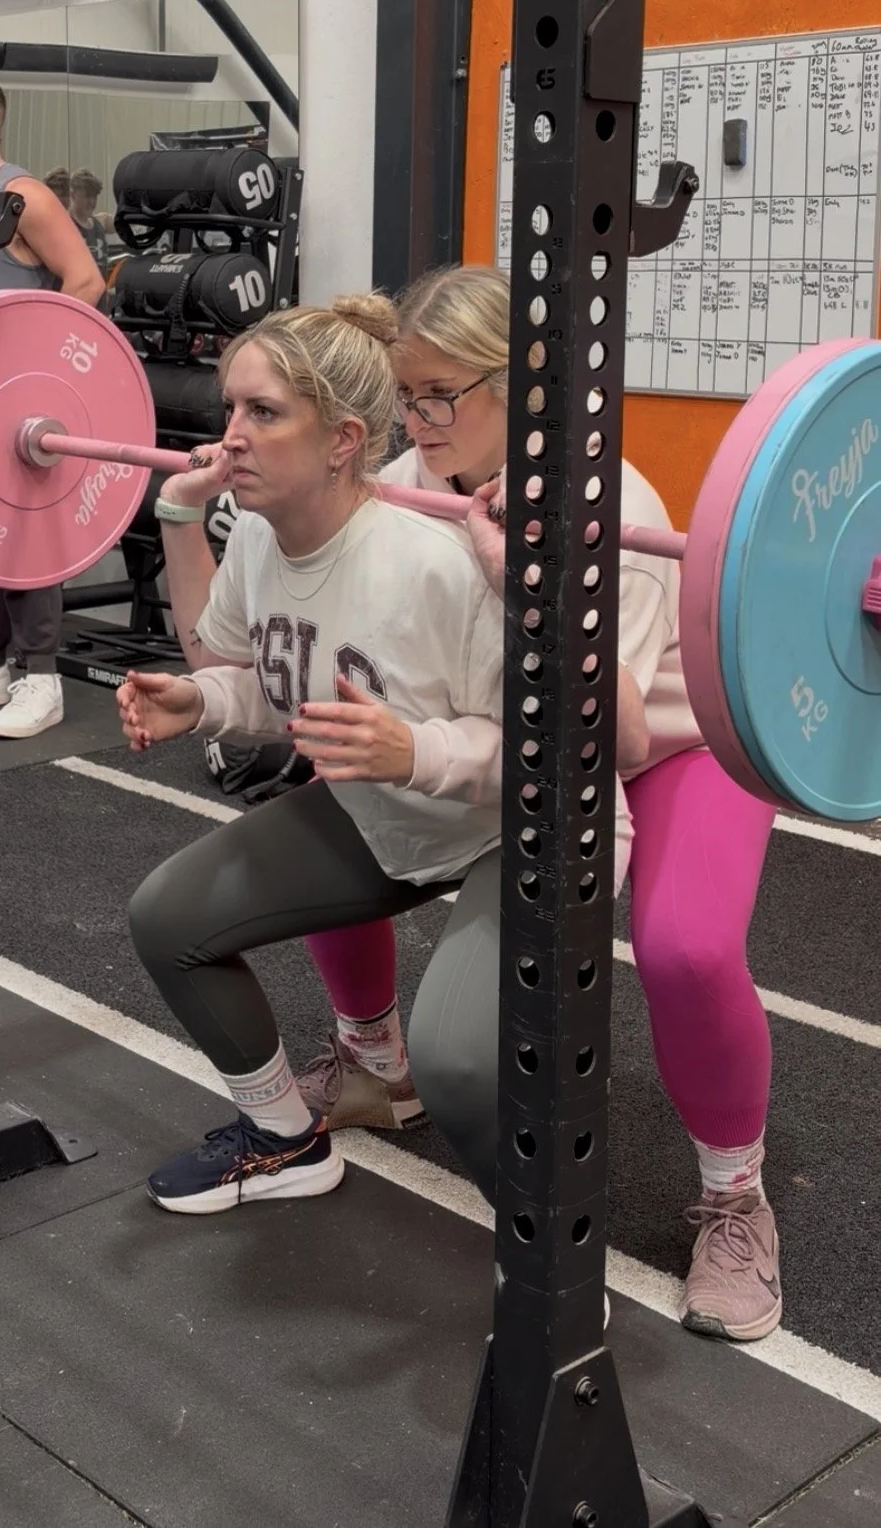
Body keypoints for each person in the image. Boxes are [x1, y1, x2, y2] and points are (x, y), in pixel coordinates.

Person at [151, 265, 781, 1346]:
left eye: (441, 395)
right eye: (406, 394)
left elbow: (619, 737)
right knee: (342, 772)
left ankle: (736, 1200)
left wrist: (525, 582)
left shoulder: (610, 505)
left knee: (684, 950)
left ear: (523, 387)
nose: (417, 419)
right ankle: (372, 1063)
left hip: (669, 738)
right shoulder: (406, 484)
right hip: (520, 742)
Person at [118, 294, 646, 1242]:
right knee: (169, 917)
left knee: (455, 1064)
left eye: (263, 412)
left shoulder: (439, 561)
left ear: (343, 442)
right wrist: (199, 702)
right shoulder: (260, 539)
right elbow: (271, 683)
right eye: (231, 408)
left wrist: (415, 751)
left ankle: (553, 1265)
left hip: (529, 825)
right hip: (393, 812)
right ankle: (284, 1140)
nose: (231, 436)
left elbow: (565, 751)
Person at [0, 74, 104, 739]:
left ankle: (42, 677)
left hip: (21, 395)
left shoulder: (22, 195)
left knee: (27, 528)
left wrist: (40, 365)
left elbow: (86, 280)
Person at [68, 168, 111, 280]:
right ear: (73, 195)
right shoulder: (65, 226)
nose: (92, 202)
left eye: (94, 196)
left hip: (100, 288)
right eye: (87, 196)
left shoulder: (99, 225)